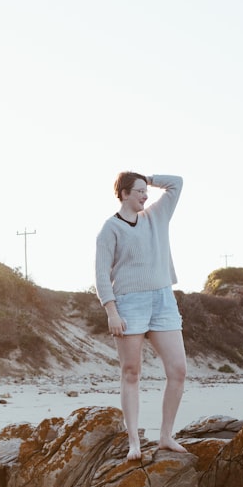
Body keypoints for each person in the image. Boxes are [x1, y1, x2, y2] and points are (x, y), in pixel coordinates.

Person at [95, 172, 188, 461]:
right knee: (131, 372)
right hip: (128, 304)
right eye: (138, 191)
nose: (145, 196)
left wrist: (145, 177)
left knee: (178, 370)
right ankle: (134, 441)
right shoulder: (110, 229)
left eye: (146, 191)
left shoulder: (156, 216)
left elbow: (177, 182)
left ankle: (165, 436)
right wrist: (111, 311)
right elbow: (100, 275)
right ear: (123, 194)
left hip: (162, 300)